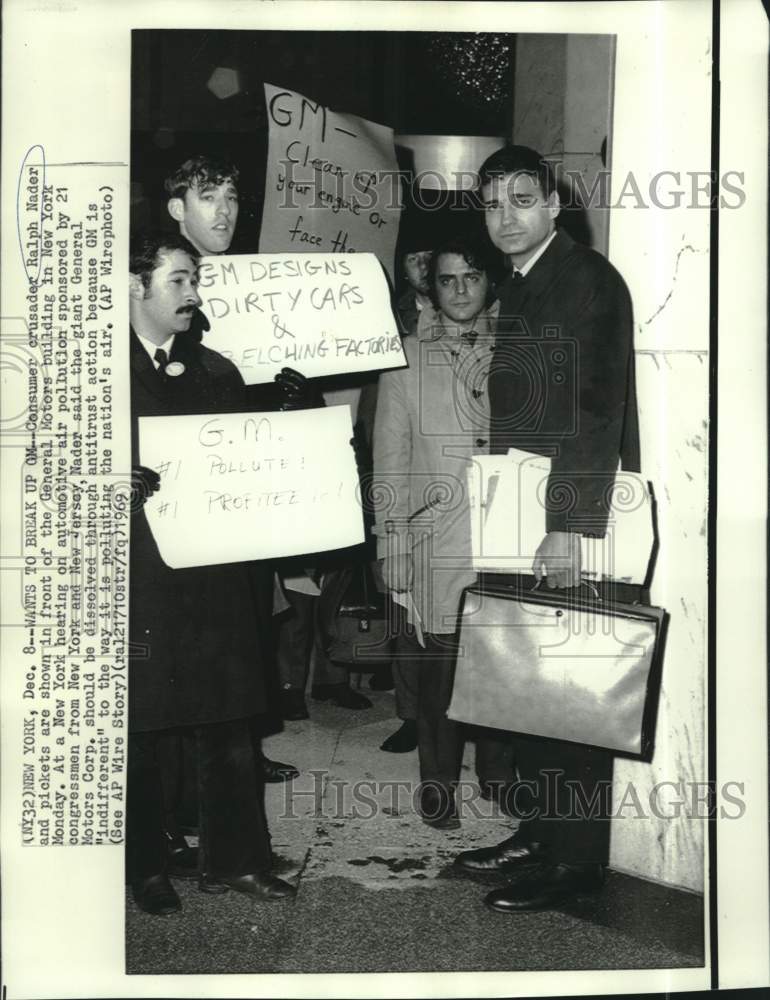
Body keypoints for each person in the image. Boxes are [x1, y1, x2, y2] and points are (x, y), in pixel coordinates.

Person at [452, 145, 641, 910]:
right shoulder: (525, 283)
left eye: (520, 201)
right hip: (523, 503)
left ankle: (575, 863)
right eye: (493, 204)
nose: (505, 217)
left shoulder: (586, 280)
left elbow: (597, 411)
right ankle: (539, 831)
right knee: (532, 677)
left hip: (563, 511)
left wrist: (568, 527)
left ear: (554, 206)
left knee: (571, 685)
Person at [127, 233, 297, 915]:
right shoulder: (92, 372)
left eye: (194, 279)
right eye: (177, 281)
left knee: (227, 717)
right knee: (142, 723)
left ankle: (237, 860)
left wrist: (287, 411)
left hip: (217, 574)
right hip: (143, 574)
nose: (194, 295)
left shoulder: (218, 370)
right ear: (133, 287)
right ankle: (143, 866)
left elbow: (254, 461)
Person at [164, 154, 301, 784]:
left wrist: (284, 393)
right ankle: (194, 778)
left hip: (246, 481)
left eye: (233, 197)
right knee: (199, 635)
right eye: (208, 197)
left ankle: (237, 754)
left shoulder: (246, 281)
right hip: (190, 490)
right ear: (177, 210)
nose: (225, 211)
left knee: (248, 620)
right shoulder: (163, 284)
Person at [373, 234, 517, 830]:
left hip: (507, 536)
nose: (460, 290)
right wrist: (393, 544)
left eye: (472, 278)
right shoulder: (405, 358)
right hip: (439, 540)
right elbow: (390, 460)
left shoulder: (517, 348)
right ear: (431, 286)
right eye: (448, 279)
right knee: (439, 676)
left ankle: (500, 778)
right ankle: (438, 787)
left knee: (505, 666)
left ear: (489, 284)